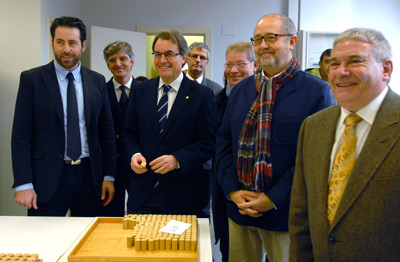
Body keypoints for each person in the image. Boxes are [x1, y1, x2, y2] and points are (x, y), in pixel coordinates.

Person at [215, 13, 333, 262]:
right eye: (257, 40)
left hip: (286, 215)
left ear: (292, 41)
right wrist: (233, 191)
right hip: (240, 211)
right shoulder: (241, 91)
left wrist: (272, 199)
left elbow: (315, 159)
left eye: (271, 37)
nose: (263, 45)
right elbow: (224, 145)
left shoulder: (316, 92)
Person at [289, 28, 399, 261]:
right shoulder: (313, 127)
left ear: (386, 69)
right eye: (334, 64)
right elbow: (301, 215)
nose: (341, 72)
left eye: (355, 61)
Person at [11, 16, 116, 216]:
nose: (66, 49)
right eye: (60, 42)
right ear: (52, 43)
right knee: (45, 242)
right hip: (46, 179)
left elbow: (106, 134)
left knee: (88, 241)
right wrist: (23, 183)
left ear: (83, 45)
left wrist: (109, 176)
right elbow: (21, 136)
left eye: (72, 43)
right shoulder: (31, 80)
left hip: (90, 178)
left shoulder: (97, 81)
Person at [123, 30, 217, 217]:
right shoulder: (140, 90)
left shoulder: (201, 95)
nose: (162, 60)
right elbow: (129, 133)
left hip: (183, 196)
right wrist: (134, 154)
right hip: (142, 194)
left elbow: (208, 142)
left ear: (183, 57)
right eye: (157, 54)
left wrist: (177, 160)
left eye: (169, 54)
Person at [213, 40, 257, 262]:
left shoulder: (265, 100)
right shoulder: (217, 100)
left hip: (262, 199)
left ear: (255, 65)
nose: (233, 70)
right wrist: (232, 190)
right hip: (226, 191)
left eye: (240, 64)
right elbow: (218, 148)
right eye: (228, 65)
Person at [102, 40, 139, 216]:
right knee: (109, 216)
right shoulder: (100, 90)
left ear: (132, 61)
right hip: (109, 166)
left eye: (123, 58)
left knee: (140, 214)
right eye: (112, 60)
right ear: (108, 65)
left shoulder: (145, 91)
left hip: (138, 164)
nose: (118, 64)